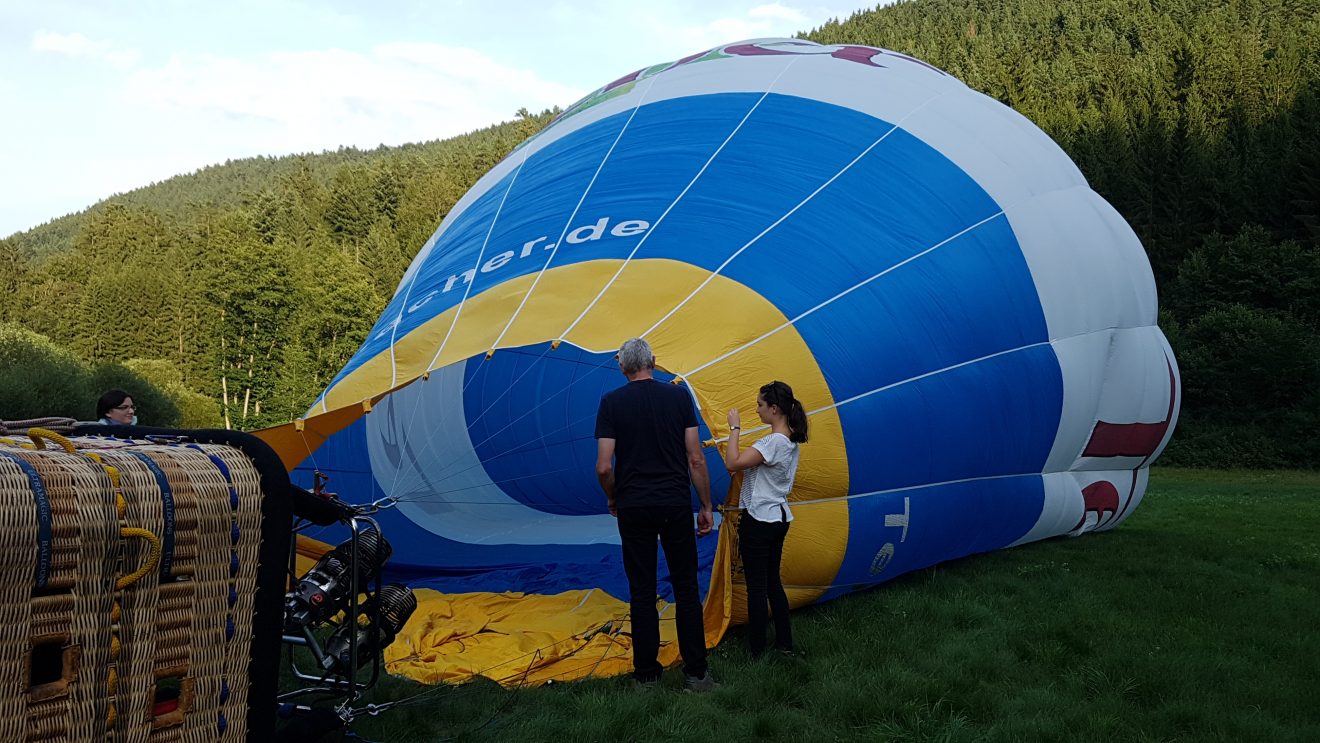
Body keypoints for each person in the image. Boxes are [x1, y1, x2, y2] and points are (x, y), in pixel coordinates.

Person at [595, 337, 716, 690]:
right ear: (654, 361)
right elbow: (695, 458)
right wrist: (705, 505)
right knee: (686, 587)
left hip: (634, 505)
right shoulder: (678, 396)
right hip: (675, 503)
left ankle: (646, 676)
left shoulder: (611, 403)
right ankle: (697, 673)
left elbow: (604, 467)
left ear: (622, 367)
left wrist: (614, 497)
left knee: (642, 589)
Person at [724, 380, 808, 658]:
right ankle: (784, 644)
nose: (757, 410)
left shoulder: (772, 442)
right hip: (779, 517)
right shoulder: (791, 441)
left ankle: (757, 651)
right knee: (772, 582)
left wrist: (734, 428)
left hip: (759, 519)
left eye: (760, 405)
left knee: (757, 587)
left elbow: (733, 463)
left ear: (774, 409)